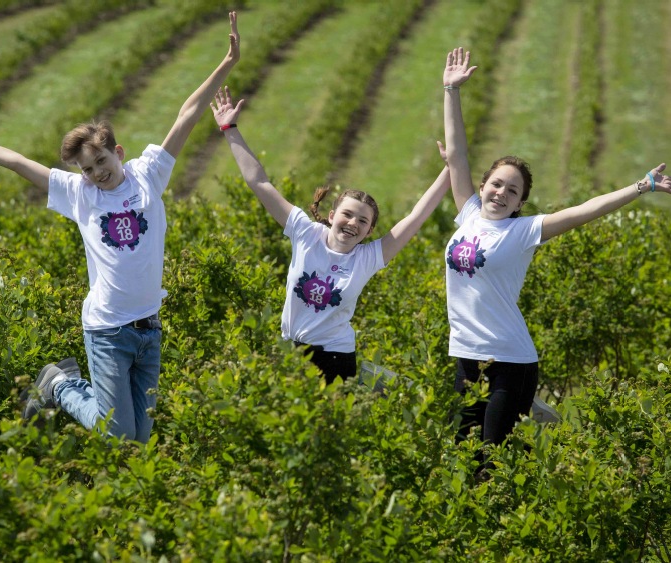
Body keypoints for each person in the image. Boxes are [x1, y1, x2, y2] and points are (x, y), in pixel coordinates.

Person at [0, 12, 241, 443]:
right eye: (88, 169)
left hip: (149, 328)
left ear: (118, 152)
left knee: (139, 443)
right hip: (108, 329)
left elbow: (185, 115)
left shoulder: (149, 174)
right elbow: (17, 161)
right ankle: (59, 384)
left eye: (101, 163)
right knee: (118, 436)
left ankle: (65, 391)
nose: (97, 174)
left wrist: (226, 62)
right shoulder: (79, 193)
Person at [442, 47, 671, 454]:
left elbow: (583, 210)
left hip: (510, 362)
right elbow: (457, 154)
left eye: (512, 191)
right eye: (496, 184)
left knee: (489, 461)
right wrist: (451, 90)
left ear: (519, 204)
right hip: (464, 355)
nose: (501, 192)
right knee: (462, 454)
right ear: (482, 187)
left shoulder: (524, 231)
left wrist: (641, 187)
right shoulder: (468, 215)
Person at [210, 86, 452, 384]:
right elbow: (259, 182)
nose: (353, 223)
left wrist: (450, 167)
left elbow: (416, 216)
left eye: (363, 221)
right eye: (348, 215)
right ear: (332, 215)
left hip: (335, 359)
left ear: (369, 230)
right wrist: (228, 128)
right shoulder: (305, 232)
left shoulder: (368, 257)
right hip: (290, 352)